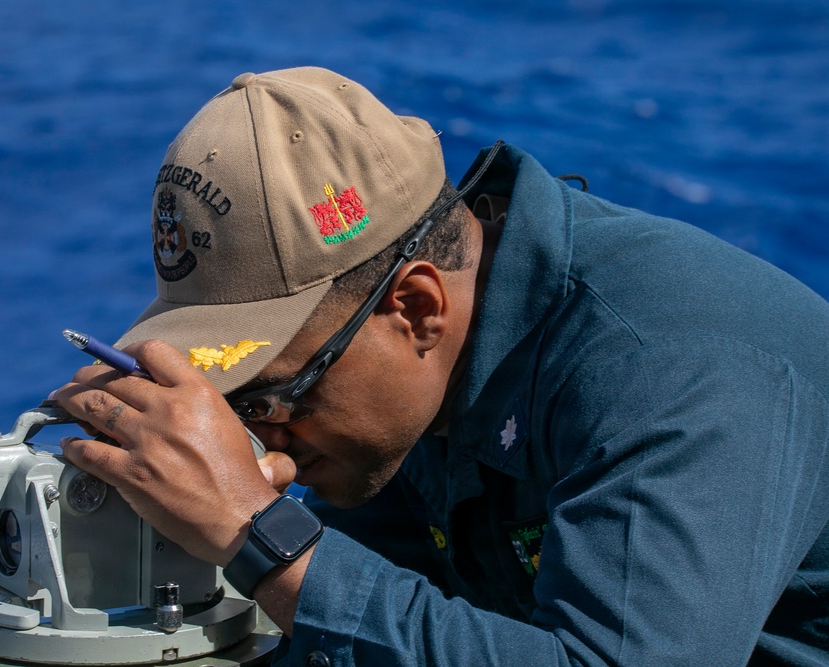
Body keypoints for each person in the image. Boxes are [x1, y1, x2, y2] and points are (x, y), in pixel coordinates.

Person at [53, 66, 829, 665]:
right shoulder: (412, 385)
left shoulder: (673, 372)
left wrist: (256, 531)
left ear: (417, 308)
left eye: (274, 397)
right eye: (237, 403)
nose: (273, 451)